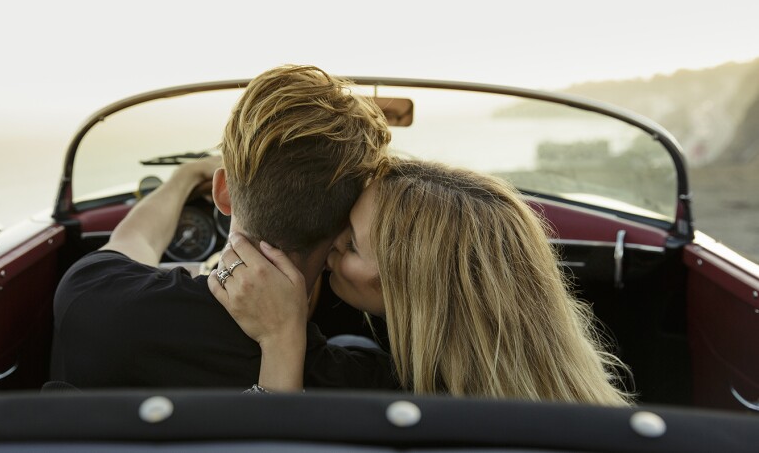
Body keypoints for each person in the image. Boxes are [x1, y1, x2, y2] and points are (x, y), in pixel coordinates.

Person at [50, 65, 398, 390]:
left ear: (222, 192)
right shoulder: (359, 382)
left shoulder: (89, 298)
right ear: (343, 231)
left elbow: (135, 237)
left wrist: (184, 177)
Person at [210, 158, 633, 405]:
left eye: (352, 245)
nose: (331, 244)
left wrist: (280, 342)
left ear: (417, 288)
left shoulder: (444, 423)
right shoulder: (561, 392)